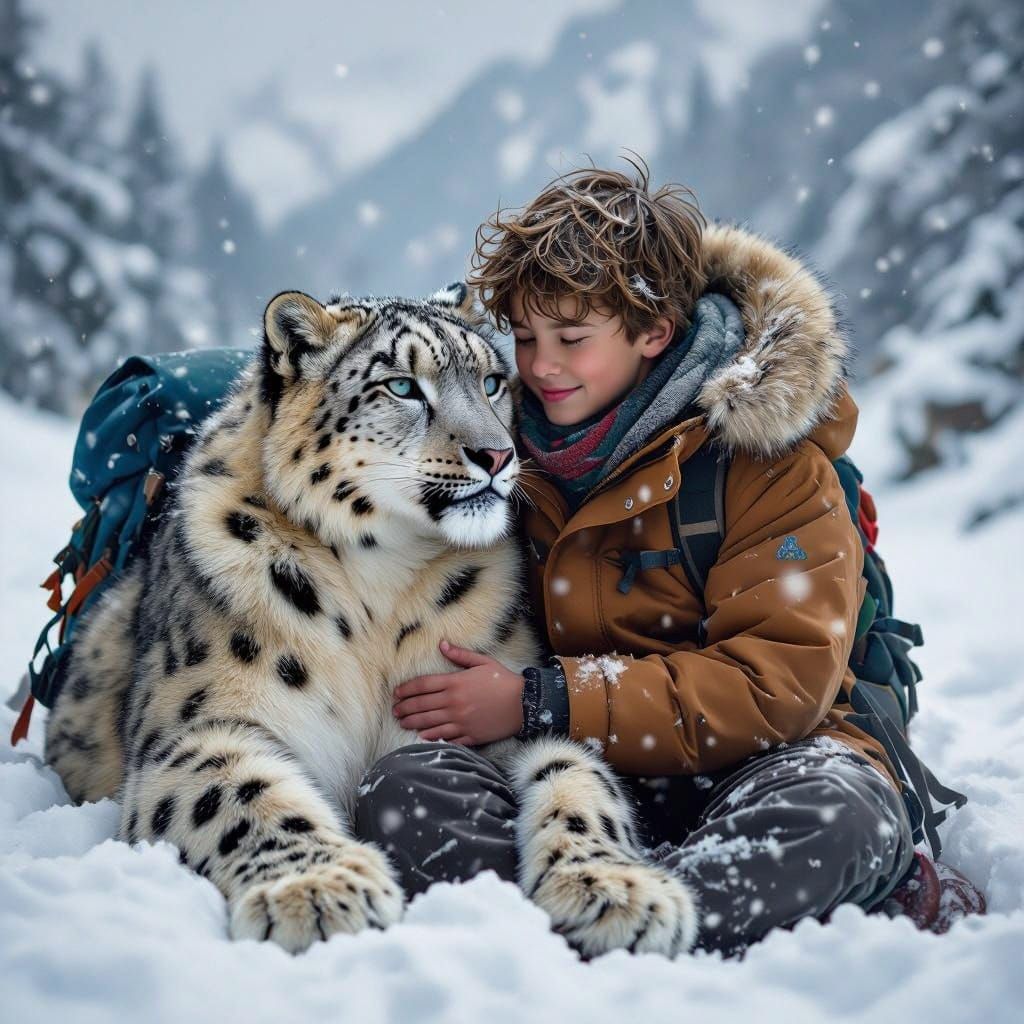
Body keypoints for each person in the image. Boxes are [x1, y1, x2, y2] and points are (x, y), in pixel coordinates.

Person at [355, 159, 921, 956]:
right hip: (574, 789)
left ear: (655, 330)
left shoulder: (774, 462)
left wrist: (542, 700)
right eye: (523, 337)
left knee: (833, 816)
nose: (540, 366)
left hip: (770, 763)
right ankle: (654, 921)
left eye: (572, 339)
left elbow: (777, 685)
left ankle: (607, 934)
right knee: (406, 795)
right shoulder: (492, 453)